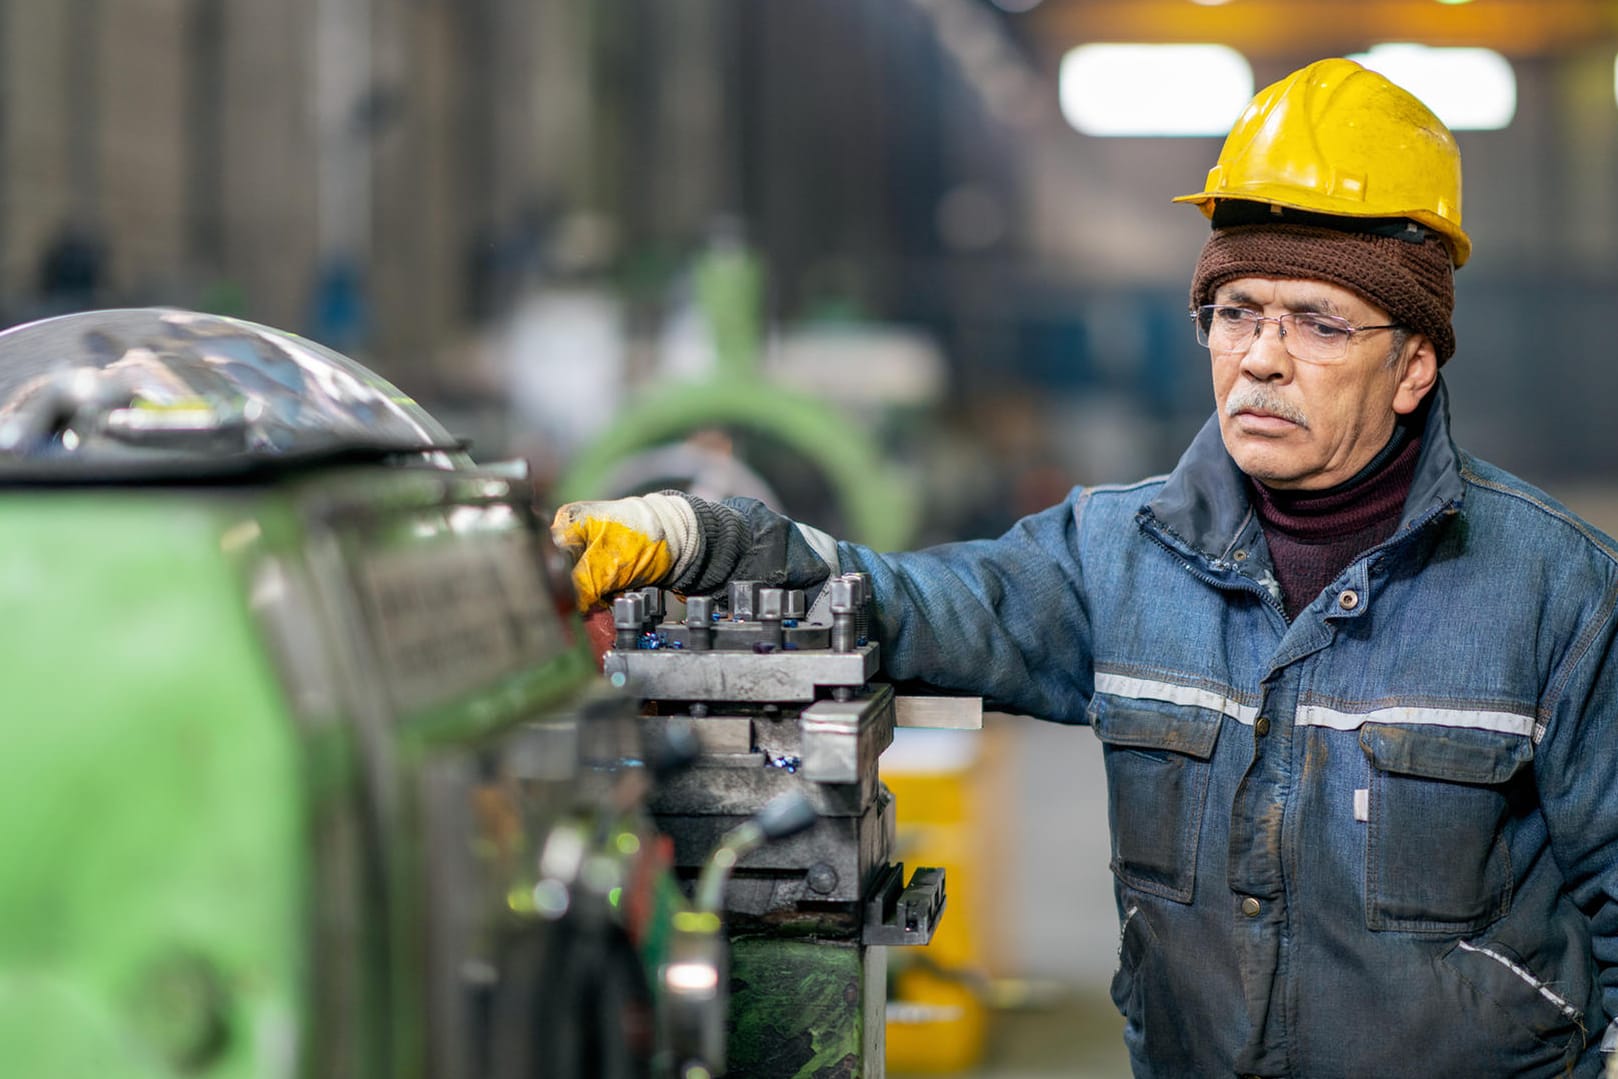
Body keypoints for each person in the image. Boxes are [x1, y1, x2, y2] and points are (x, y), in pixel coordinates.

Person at [552, 58, 1618, 1078]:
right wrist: (700, 536)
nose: (1259, 356)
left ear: (1414, 364)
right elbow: (906, 601)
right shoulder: (1116, 557)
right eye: (1236, 311)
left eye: (1318, 324)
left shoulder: (1551, 593)